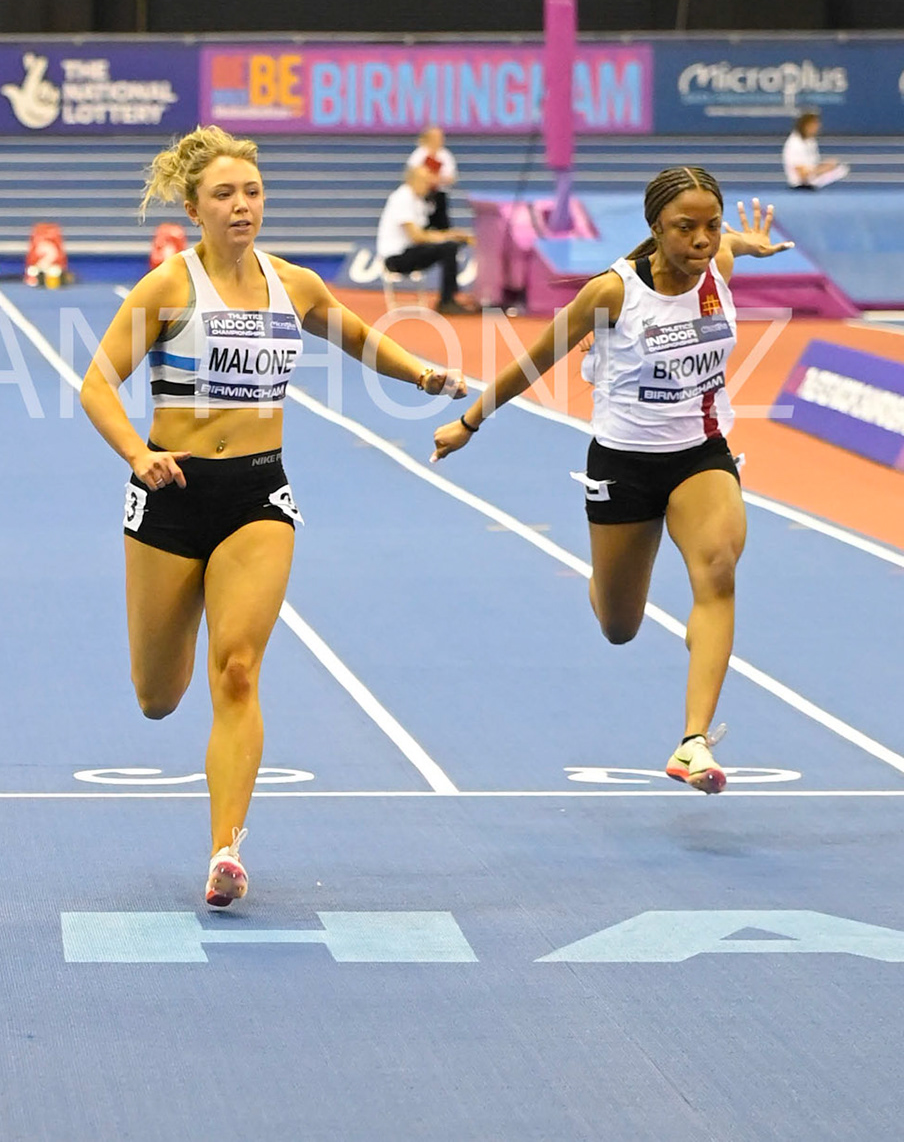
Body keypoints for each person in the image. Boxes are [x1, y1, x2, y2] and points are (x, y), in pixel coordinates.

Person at [79, 127, 466, 908]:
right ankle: (174, 663)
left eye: (252, 191)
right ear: (195, 207)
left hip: (258, 494)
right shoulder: (167, 288)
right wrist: (134, 453)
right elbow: (95, 384)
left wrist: (421, 370)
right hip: (169, 492)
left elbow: (358, 337)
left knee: (238, 667)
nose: (242, 205)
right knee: (158, 693)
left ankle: (226, 846)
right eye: (224, 194)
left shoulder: (294, 284)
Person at [431, 167, 792, 794]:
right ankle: (608, 578)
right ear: (655, 228)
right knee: (619, 625)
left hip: (700, 453)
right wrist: (469, 422)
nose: (704, 240)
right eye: (687, 228)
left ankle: (693, 741)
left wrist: (748, 243)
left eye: (712, 226)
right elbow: (533, 361)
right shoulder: (611, 294)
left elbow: (730, 243)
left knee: (718, 568)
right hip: (623, 463)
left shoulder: (717, 267)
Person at [377, 164, 478, 314]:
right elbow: (417, 236)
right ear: (413, 180)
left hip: (409, 251)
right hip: (396, 258)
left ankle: (451, 297)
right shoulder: (402, 198)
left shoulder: (419, 201)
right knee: (448, 248)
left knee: (452, 246)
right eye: (424, 181)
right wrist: (447, 236)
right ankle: (447, 300)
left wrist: (453, 235)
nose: (428, 185)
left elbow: (426, 233)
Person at [406, 125, 459, 232]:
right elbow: (411, 175)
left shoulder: (445, 155)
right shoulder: (419, 154)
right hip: (422, 196)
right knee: (421, 223)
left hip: (439, 195)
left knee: (443, 225)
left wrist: (435, 179)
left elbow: (451, 177)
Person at [783, 111, 849, 190]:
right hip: (801, 186)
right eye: (815, 124)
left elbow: (813, 165)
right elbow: (802, 175)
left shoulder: (810, 141)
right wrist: (823, 169)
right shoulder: (795, 144)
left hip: (813, 179)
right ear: (806, 125)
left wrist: (825, 166)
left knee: (842, 169)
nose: (818, 127)